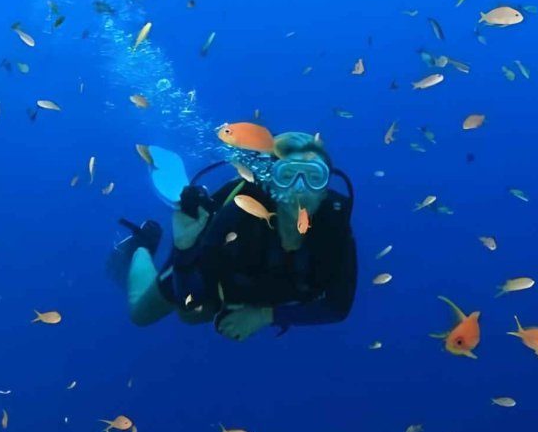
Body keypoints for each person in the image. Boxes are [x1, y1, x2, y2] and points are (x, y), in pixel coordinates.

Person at [110, 132, 358, 341]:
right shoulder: (239, 215)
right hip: (217, 281)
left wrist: (265, 316)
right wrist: (185, 248)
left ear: (326, 188)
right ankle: (143, 245)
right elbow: (189, 301)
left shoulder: (335, 229)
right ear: (271, 181)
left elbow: (338, 307)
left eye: (314, 177)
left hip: (255, 290)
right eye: (287, 175)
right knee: (156, 315)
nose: (299, 189)